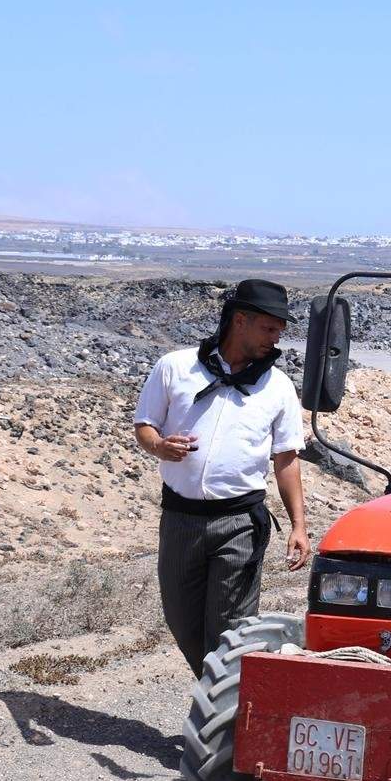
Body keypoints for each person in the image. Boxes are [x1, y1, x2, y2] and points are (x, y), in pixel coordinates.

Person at [133, 279, 310, 675]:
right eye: (268, 328)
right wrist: (159, 446)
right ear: (240, 320)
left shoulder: (278, 387)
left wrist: (298, 525)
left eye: (280, 331)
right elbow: (144, 425)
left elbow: (286, 459)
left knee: (232, 629)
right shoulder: (175, 367)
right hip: (180, 519)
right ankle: (219, 694)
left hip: (240, 523)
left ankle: (229, 719)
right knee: (183, 622)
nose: (276, 339)